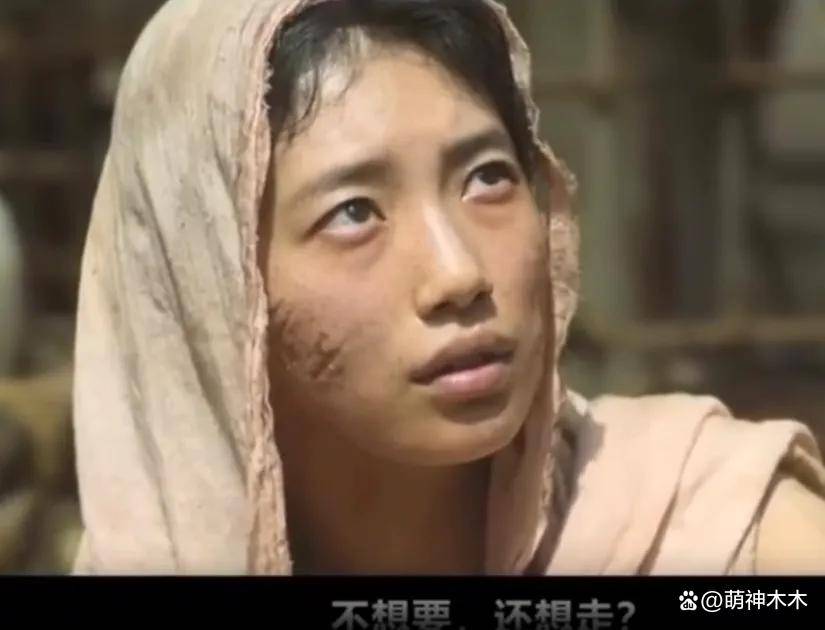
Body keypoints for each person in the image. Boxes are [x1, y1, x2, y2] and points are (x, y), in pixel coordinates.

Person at [70, 0, 825, 575]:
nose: (458, 273)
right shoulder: (146, 556)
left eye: (487, 178)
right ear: (212, 287)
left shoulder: (715, 533)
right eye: (354, 213)